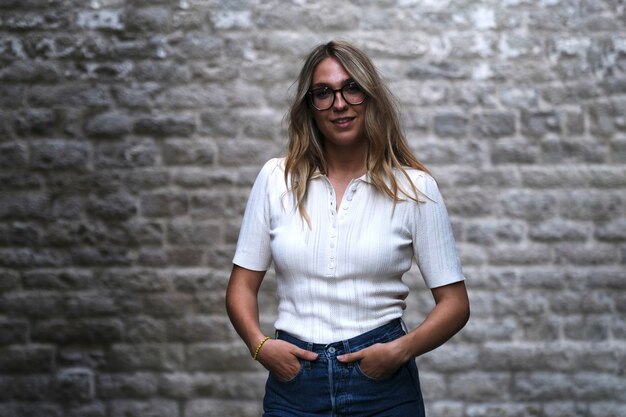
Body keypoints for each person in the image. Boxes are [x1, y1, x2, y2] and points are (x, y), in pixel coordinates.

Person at [225, 40, 470, 417]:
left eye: (351, 87)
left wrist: (400, 350)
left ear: (371, 96)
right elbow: (241, 286)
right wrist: (261, 347)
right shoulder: (276, 179)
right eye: (323, 93)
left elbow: (455, 305)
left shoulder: (415, 188)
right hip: (295, 386)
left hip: (382, 384)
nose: (339, 103)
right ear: (309, 105)